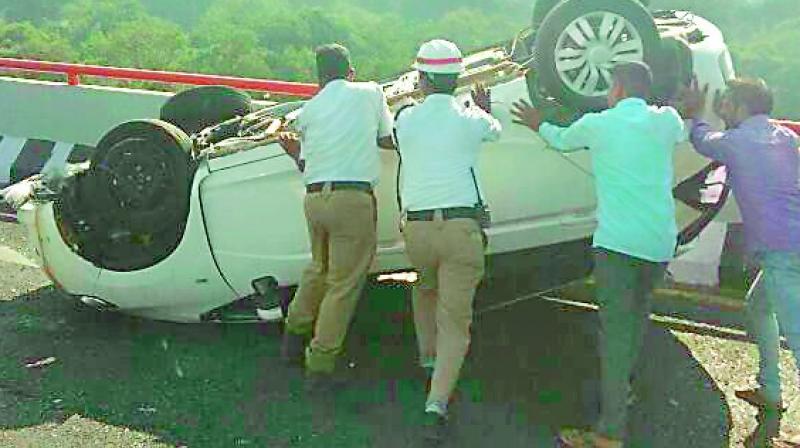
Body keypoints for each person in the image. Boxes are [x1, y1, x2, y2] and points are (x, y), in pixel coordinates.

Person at [511, 61, 684, 448]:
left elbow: (559, 138)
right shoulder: (666, 121)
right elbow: (679, 120)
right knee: (637, 320)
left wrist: (537, 121)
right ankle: (623, 392)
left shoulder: (600, 124)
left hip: (619, 245)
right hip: (659, 244)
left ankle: (609, 432)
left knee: (615, 336)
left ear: (618, 89)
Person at [680, 77, 800, 446]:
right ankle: (770, 389)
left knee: (797, 334)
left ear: (741, 104)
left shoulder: (738, 141)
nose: (722, 107)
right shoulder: (786, 137)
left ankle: (773, 390)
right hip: (788, 246)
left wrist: (695, 112)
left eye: (726, 101)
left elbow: (701, 140)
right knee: (758, 307)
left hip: (784, 251)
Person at [393, 39, 501, 443]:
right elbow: (495, 129)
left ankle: (427, 358)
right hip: (461, 229)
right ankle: (436, 402)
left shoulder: (405, 119)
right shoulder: (471, 119)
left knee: (424, 287)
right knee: (455, 319)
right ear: (456, 78)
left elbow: (396, 137)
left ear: (421, 79)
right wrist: (482, 108)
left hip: (417, 230)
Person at [278, 43, 395, 390]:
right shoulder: (370, 93)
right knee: (343, 284)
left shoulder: (309, 111)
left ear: (319, 78)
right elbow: (387, 138)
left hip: (315, 199)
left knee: (318, 269)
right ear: (351, 71)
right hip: (351, 200)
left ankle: (292, 339)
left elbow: (307, 163)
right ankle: (320, 363)